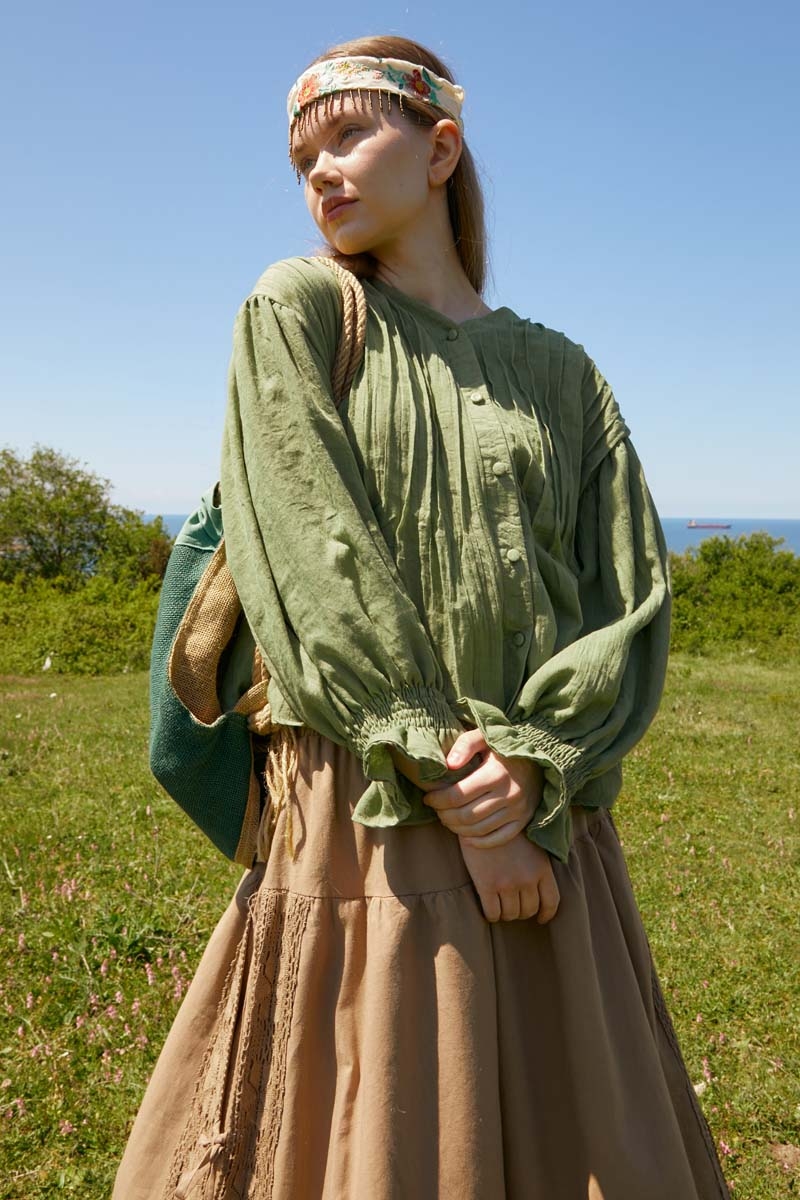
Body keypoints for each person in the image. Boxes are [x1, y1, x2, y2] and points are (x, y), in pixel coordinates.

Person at [114, 35, 731, 1200]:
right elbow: (314, 557)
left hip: (541, 818)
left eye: (349, 135)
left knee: (575, 1129)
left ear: (440, 149)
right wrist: (458, 786)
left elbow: (623, 598)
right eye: (302, 157)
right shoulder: (296, 307)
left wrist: (535, 767)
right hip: (370, 809)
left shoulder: (561, 372)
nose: (320, 170)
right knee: (381, 1128)